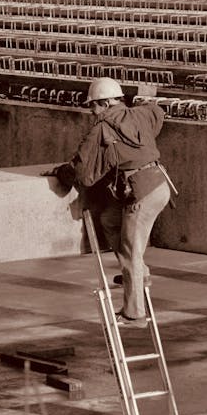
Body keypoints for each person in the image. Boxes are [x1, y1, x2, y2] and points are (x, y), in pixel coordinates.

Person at [48, 77, 174, 328]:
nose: (91, 112)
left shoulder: (102, 128)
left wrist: (60, 172)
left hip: (141, 194)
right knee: (109, 219)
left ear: (105, 103)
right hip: (160, 184)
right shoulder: (140, 114)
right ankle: (141, 274)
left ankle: (134, 314)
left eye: (93, 106)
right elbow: (157, 112)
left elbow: (82, 171)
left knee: (130, 254)